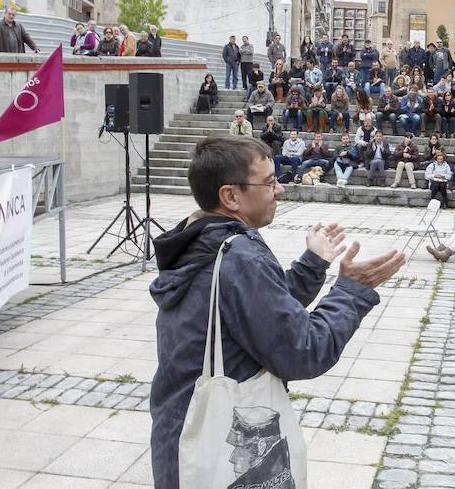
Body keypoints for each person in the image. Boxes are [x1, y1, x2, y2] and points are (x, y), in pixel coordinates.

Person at [149, 136, 404, 487]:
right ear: (231, 196)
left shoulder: (202, 240)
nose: (279, 190)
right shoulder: (240, 256)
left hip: (181, 435)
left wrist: (313, 264)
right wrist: (351, 291)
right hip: (219, 448)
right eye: (269, 182)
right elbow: (303, 350)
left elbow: (260, 312)